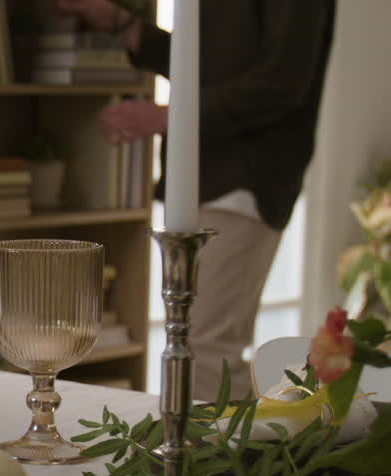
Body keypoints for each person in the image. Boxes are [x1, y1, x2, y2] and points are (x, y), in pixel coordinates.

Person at [55, 0, 336, 401]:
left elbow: (282, 83)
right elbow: (209, 66)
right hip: (204, 180)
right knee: (196, 347)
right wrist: (123, 25)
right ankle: (214, 459)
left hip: (245, 182)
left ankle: (226, 463)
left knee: (204, 351)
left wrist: (166, 117)